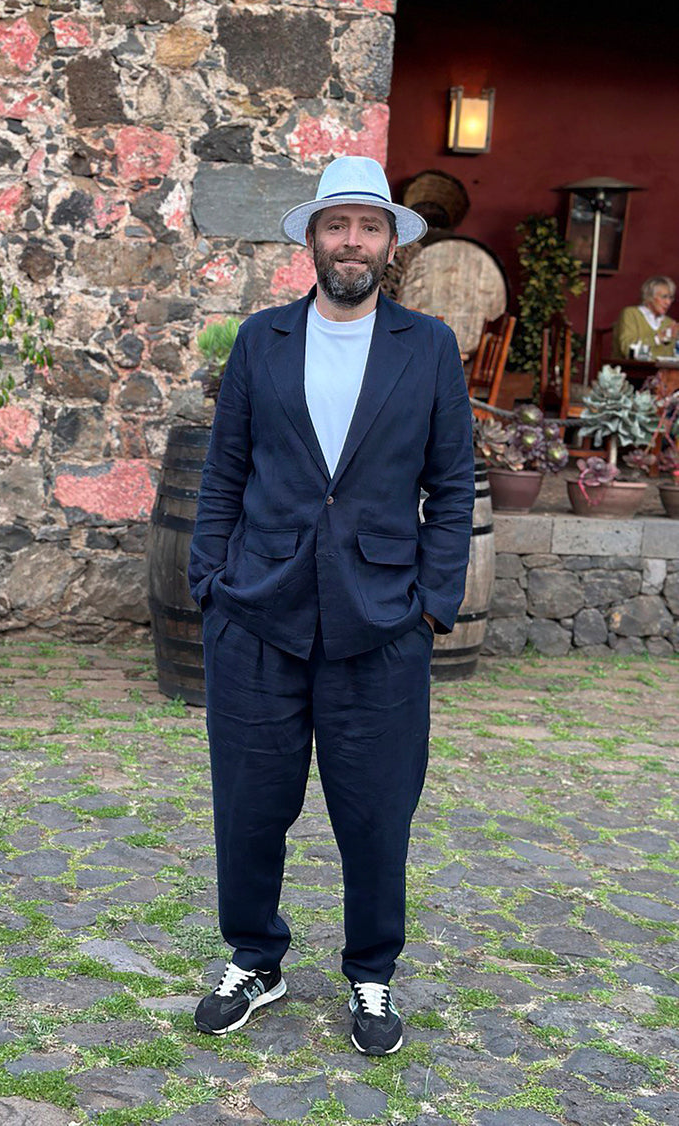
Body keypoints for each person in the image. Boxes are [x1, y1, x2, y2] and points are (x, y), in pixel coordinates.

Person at [188, 156, 475, 1056]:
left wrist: (433, 602)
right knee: (248, 802)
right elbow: (224, 471)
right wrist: (210, 583)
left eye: (369, 227)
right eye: (336, 225)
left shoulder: (426, 346)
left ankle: (373, 975)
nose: (352, 241)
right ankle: (255, 959)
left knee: (376, 809)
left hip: (382, 620)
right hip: (259, 613)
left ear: (391, 244)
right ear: (311, 238)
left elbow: (453, 486)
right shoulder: (261, 340)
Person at [614, 276, 678, 359]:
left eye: (670, 298)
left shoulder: (669, 323)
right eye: (664, 297)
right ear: (649, 297)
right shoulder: (631, 314)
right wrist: (657, 339)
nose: (668, 302)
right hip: (632, 369)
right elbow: (627, 349)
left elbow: (671, 357)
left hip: (662, 371)